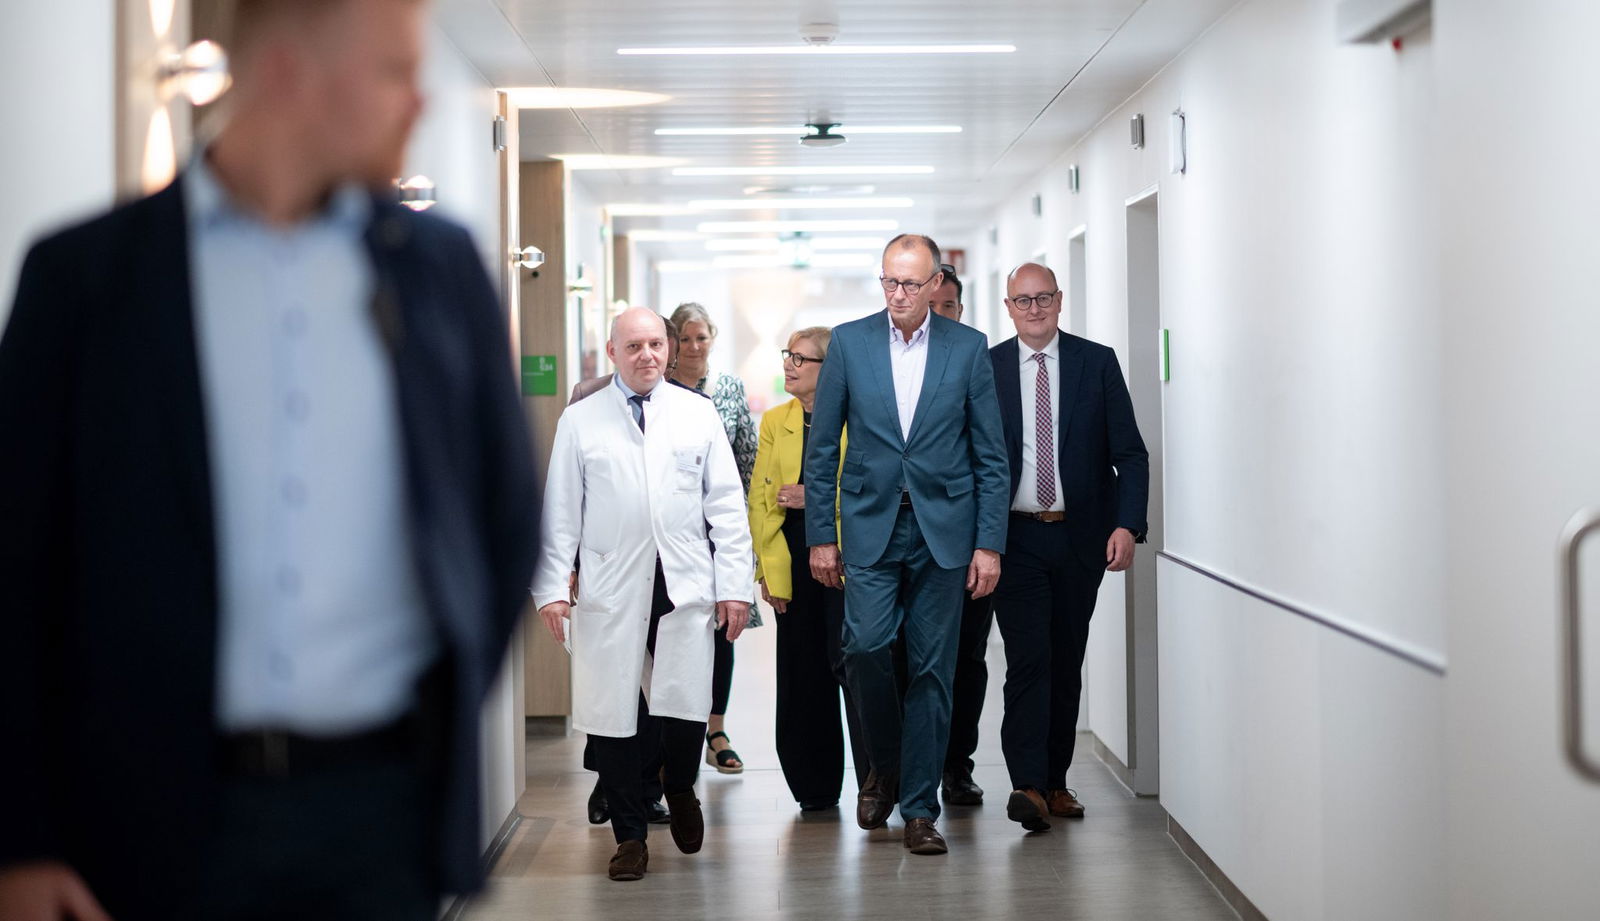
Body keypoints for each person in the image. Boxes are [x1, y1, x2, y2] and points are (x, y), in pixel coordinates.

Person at [0, 1, 540, 919]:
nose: (420, 103)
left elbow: (501, 519)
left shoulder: (437, 272)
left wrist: (433, 724)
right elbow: (15, 566)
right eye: (391, 73)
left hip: (380, 817)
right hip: (146, 821)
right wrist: (21, 838)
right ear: (289, 69)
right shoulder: (88, 278)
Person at [805, 234, 1010, 856]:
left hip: (943, 532)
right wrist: (821, 535)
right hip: (870, 525)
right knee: (865, 647)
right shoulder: (851, 342)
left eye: (910, 285)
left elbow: (992, 458)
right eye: (889, 283)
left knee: (932, 670)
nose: (897, 294)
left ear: (934, 285)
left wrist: (989, 544)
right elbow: (822, 453)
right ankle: (886, 767)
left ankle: (921, 808)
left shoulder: (967, 348)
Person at [531, 307, 753, 881]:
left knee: (682, 706)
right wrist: (553, 588)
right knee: (612, 714)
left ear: (670, 348)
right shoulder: (581, 420)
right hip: (611, 582)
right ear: (613, 353)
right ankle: (629, 835)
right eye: (634, 346)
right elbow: (560, 513)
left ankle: (680, 789)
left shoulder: (696, 413)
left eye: (656, 344)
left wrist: (734, 586)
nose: (647, 355)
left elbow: (726, 507)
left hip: (682, 582)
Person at [989, 262, 1149, 832]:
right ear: (1008, 307)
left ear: (1059, 301)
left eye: (1044, 299)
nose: (1034, 309)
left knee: (1065, 658)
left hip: (1082, 538)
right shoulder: (989, 370)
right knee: (1029, 658)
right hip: (1016, 538)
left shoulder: (1095, 362)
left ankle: (1055, 782)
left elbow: (1129, 452)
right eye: (1022, 300)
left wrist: (1128, 525)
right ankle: (1027, 784)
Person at [750, 326, 864, 811]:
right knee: (802, 672)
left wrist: (814, 497)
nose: (789, 364)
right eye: (788, 355)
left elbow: (868, 490)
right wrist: (767, 572)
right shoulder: (777, 420)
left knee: (855, 667)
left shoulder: (860, 419)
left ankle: (878, 784)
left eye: (801, 358)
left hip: (852, 556)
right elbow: (761, 497)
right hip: (790, 557)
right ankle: (814, 787)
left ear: (829, 368)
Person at [668, 301, 759, 774]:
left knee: (725, 628)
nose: (695, 346)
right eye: (685, 338)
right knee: (677, 633)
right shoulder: (659, 391)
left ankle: (715, 727)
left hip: (719, 529)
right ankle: (674, 735)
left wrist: (747, 535)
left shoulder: (727, 388)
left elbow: (747, 459)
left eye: (702, 337)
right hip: (675, 532)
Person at [926, 267, 998, 806]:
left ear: (960, 311)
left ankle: (957, 764)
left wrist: (985, 543)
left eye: (947, 306)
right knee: (914, 658)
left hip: (968, 540)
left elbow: (992, 459)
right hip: (912, 541)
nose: (937, 316)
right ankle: (915, 767)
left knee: (966, 659)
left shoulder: (976, 364)